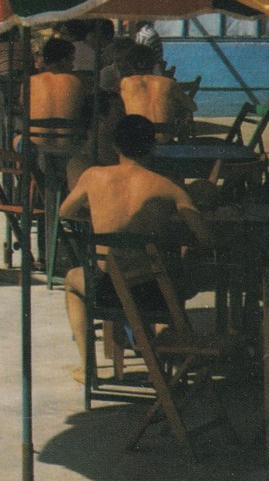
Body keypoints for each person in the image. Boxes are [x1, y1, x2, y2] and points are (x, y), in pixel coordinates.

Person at [59, 114, 210, 381]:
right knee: (181, 272)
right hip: (155, 292)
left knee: (72, 279)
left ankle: (87, 366)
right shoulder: (167, 186)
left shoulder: (93, 176)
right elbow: (204, 236)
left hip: (106, 289)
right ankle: (178, 346)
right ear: (152, 147)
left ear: (116, 146)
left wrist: (98, 217)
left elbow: (66, 212)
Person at [28, 36, 87, 182]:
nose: (73, 65)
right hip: (69, 149)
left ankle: (29, 186)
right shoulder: (78, 82)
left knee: (16, 139)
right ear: (62, 60)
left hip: (37, 148)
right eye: (71, 60)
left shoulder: (30, 82)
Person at [117, 42, 195, 143]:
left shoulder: (125, 83)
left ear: (129, 64)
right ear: (154, 64)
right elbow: (193, 107)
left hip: (137, 142)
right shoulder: (168, 82)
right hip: (165, 141)